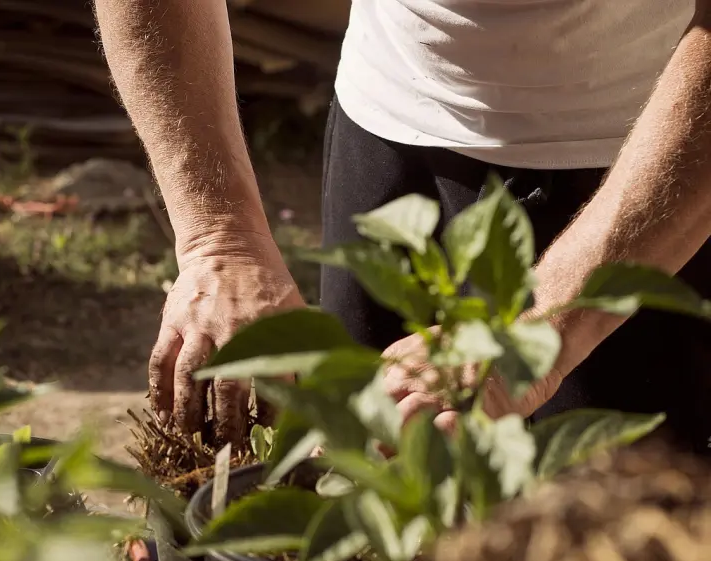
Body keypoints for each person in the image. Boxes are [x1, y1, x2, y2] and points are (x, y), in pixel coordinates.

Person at [94, 0, 711, 454]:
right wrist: (218, 237)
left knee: (608, 552)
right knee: (362, 491)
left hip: (649, 171)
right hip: (386, 125)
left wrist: (539, 330)